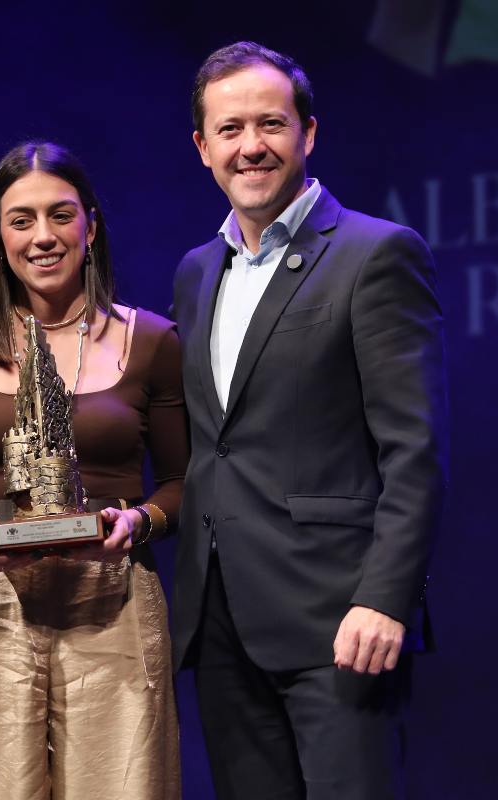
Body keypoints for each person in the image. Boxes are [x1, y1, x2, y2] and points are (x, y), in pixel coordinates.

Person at [170, 42, 448, 799]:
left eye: (270, 124)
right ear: (202, 148)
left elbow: (414, 451)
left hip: (339, 619)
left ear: (307, 133)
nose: (250, 146)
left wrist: (385, 597)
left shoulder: (374, 254)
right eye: (228, 130)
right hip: (220, 619)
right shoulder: (196, 272)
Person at [0, 141, 186, 800]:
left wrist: (140, 520)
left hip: (112, 599)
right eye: (20, 220)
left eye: (60, 215)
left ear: (91, 224)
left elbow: (183, 482)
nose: (42, 237)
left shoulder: (151, 342)